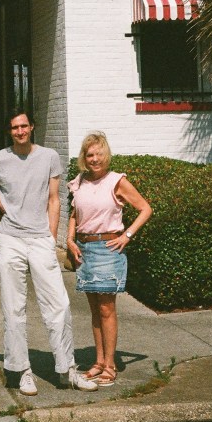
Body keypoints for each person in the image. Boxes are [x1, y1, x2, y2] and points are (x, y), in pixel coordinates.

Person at [0, 112, 98, 396]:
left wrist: (51, 238)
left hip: (40, 238)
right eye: (14, 127)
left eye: (24, 126)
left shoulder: (49, 156)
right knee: (14, 309)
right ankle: (22, 371)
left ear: (32, 128)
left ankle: (67, 370)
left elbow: (54, 199)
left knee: (59, 306)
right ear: (9, 131)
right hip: (10, 239)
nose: (20, 131)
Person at [67, 131, 152, 387]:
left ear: (107, 155)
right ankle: (98, 362)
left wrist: (127, 235)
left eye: (99, 154)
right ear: (84, 157)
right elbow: (75, 214)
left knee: (106, 309)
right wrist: (69, 240)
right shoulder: (79, 181)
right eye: (90, 154)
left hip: (107, 249)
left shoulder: (117, 181)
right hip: (84, 250)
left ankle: (111, 365)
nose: (94, 159)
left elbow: (145, 209)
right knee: (94, 310)